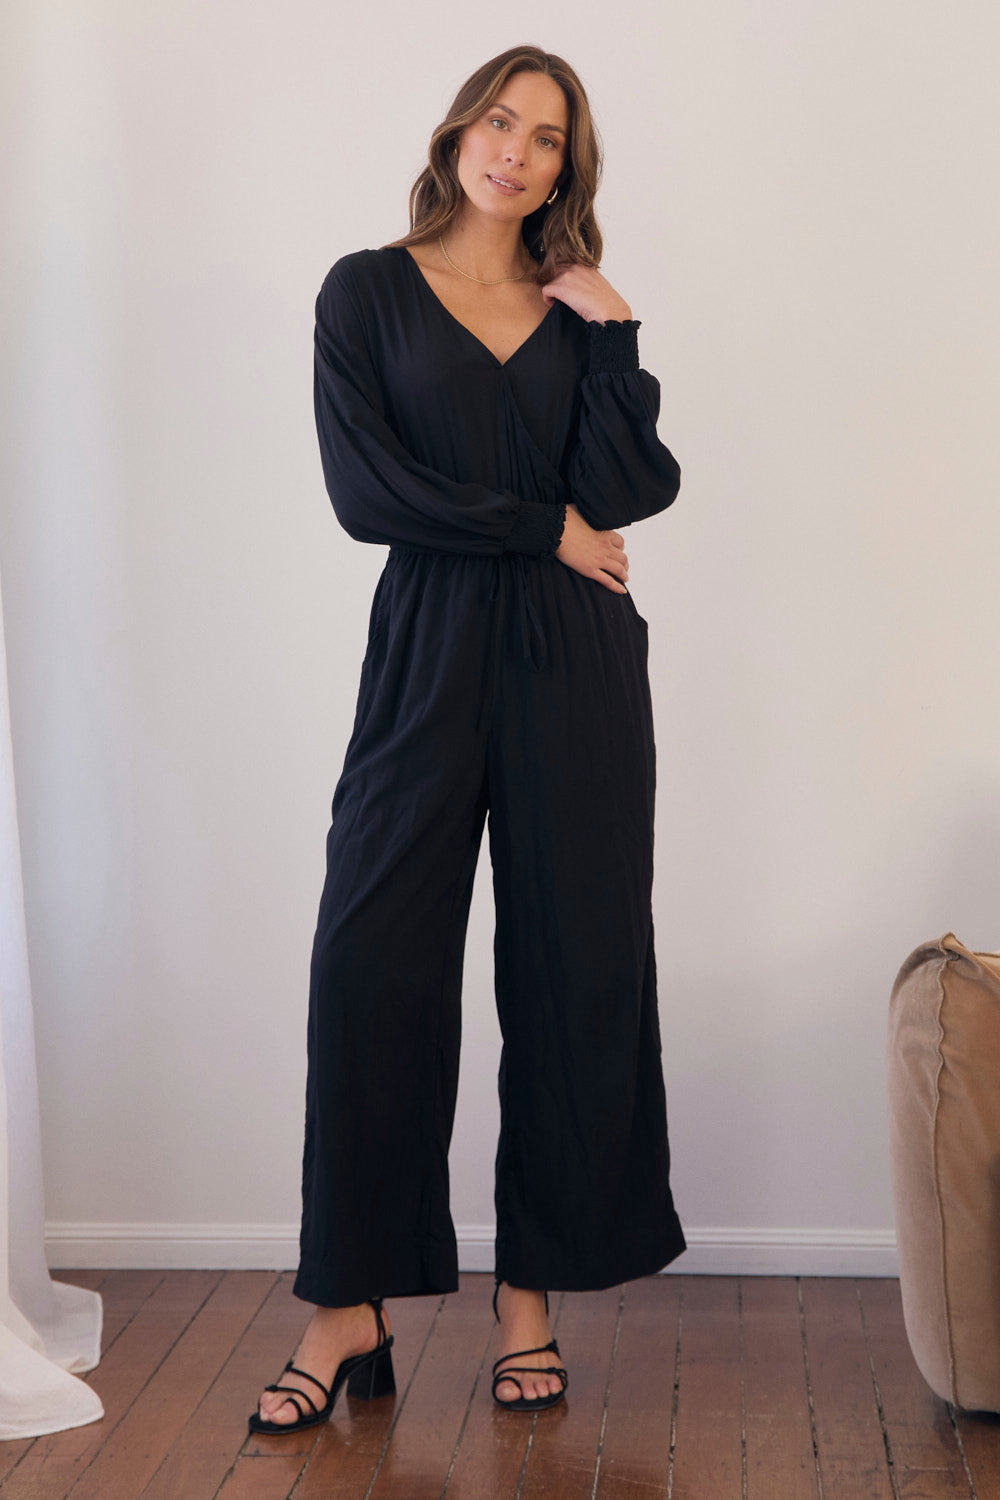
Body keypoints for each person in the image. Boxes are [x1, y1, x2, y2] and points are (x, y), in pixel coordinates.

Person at [250, 43, 685, 1434]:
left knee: (574, 967)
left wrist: (612, 333)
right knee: (369, 957)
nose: (519, 151)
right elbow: (365, 490)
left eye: (550, 138)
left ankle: (531, 1300)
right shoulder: (367, 290)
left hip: (578, 666)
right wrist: (537, 524)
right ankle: (348, 1305)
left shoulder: (572, 310)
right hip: (430, 649)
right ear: (457, 132)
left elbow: (633, 490)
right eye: (503, 120)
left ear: (569, 168)